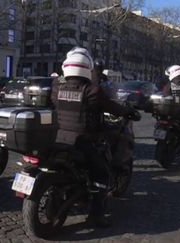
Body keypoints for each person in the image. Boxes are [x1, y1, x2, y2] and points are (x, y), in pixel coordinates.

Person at [51, 47, 140, 227]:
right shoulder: (92, 91)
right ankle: (96, 216)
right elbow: (114, 108)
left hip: (58, 139)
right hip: (83, 142)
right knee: (102, 173)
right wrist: (128, 111)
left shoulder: (56, 87)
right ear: (87, 68)